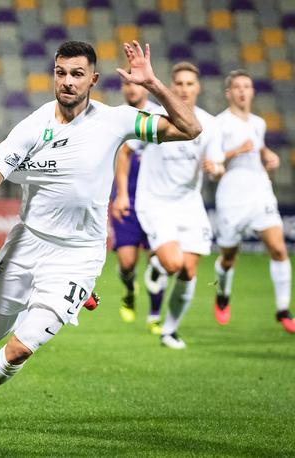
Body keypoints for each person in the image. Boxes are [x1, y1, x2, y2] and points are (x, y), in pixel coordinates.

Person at [0, 41, 201, 426]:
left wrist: (153, 84)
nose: (67, 82)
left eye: (77, 74)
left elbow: (191, 128)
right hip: (27, 243)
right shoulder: (33, 126)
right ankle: (64, 299)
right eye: (61, 72)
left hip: (79, 255)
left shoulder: (117, 120)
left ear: (93, 80)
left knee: (19, 348)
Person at [133, 62, 225, 350]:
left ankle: (169, 331)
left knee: (188, 271)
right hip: (155, 201)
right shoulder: (155, 117)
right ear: (172, 87)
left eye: (190, 84)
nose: (184, 89)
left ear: (197, 88)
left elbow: (218, 166)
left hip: (189, 203)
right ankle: (159, 266)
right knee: (173, 263)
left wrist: (215, 170)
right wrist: (122, 192)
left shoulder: (210, 124)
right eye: (180, 84)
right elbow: (127, 149)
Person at [212, 69, 294, 332]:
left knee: (279, 250)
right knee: (228, 257)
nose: (242, 91)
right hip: (232, 193)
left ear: (252, 92)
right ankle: (222, 294)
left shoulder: (258, 123)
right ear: (229, 93)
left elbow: (258, 147)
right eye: (237, 87)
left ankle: (283, 310)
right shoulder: (219, 124)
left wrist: (268, 156)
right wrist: (237, 150)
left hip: (259, 190)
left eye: (247, 86)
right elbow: (213, 160)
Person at [110, 79, 166, 334]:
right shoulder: (115, 118)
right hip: (127, 199)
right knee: (127, 263)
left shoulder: (160, 115)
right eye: (127, 84)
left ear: (145, 86)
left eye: (136, 84)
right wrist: (118, 194)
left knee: (158, 262)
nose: (132, 89)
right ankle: (130, 289)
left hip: (155, 200)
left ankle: (155, 315)